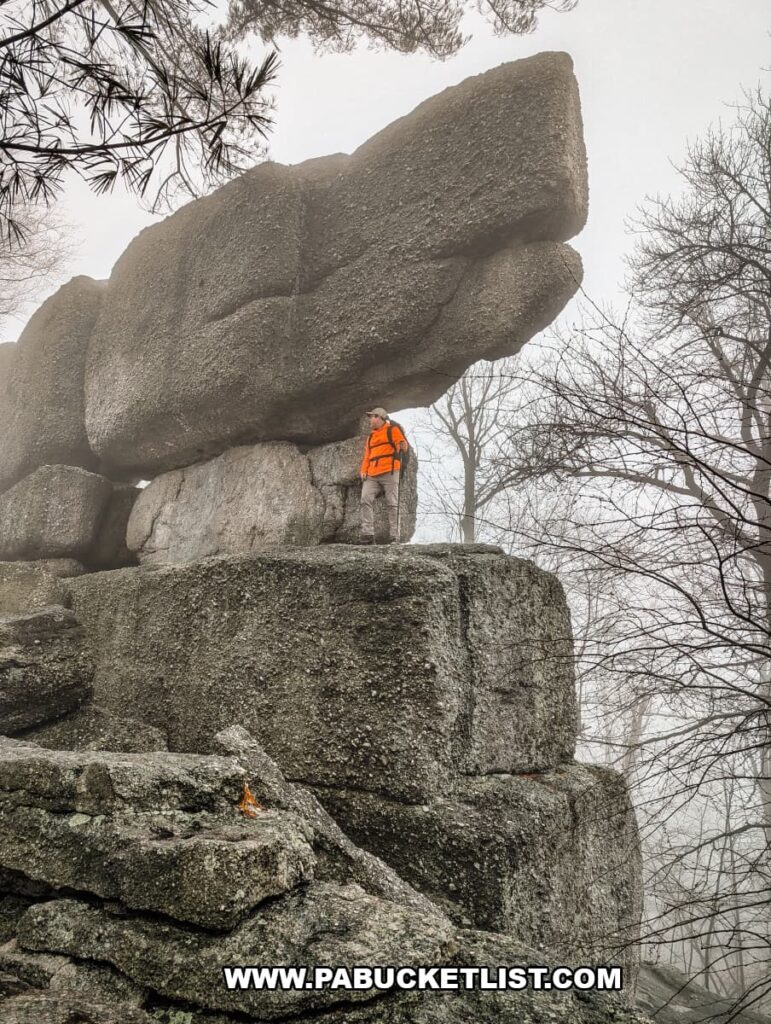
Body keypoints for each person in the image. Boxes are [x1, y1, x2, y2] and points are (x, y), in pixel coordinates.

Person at [358, 407, 409, 545]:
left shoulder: (392, 430)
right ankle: (368, 534)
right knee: (365, 499)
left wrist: (403, 445)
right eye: (370, 417)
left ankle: (394, 536)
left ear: (380, 418)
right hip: (372, 474)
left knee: (392, 503)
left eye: (372, 416)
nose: (370, 419)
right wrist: (364, 470)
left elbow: (404, 446)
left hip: (390, 471)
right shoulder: (371, 437)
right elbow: (367, 456)